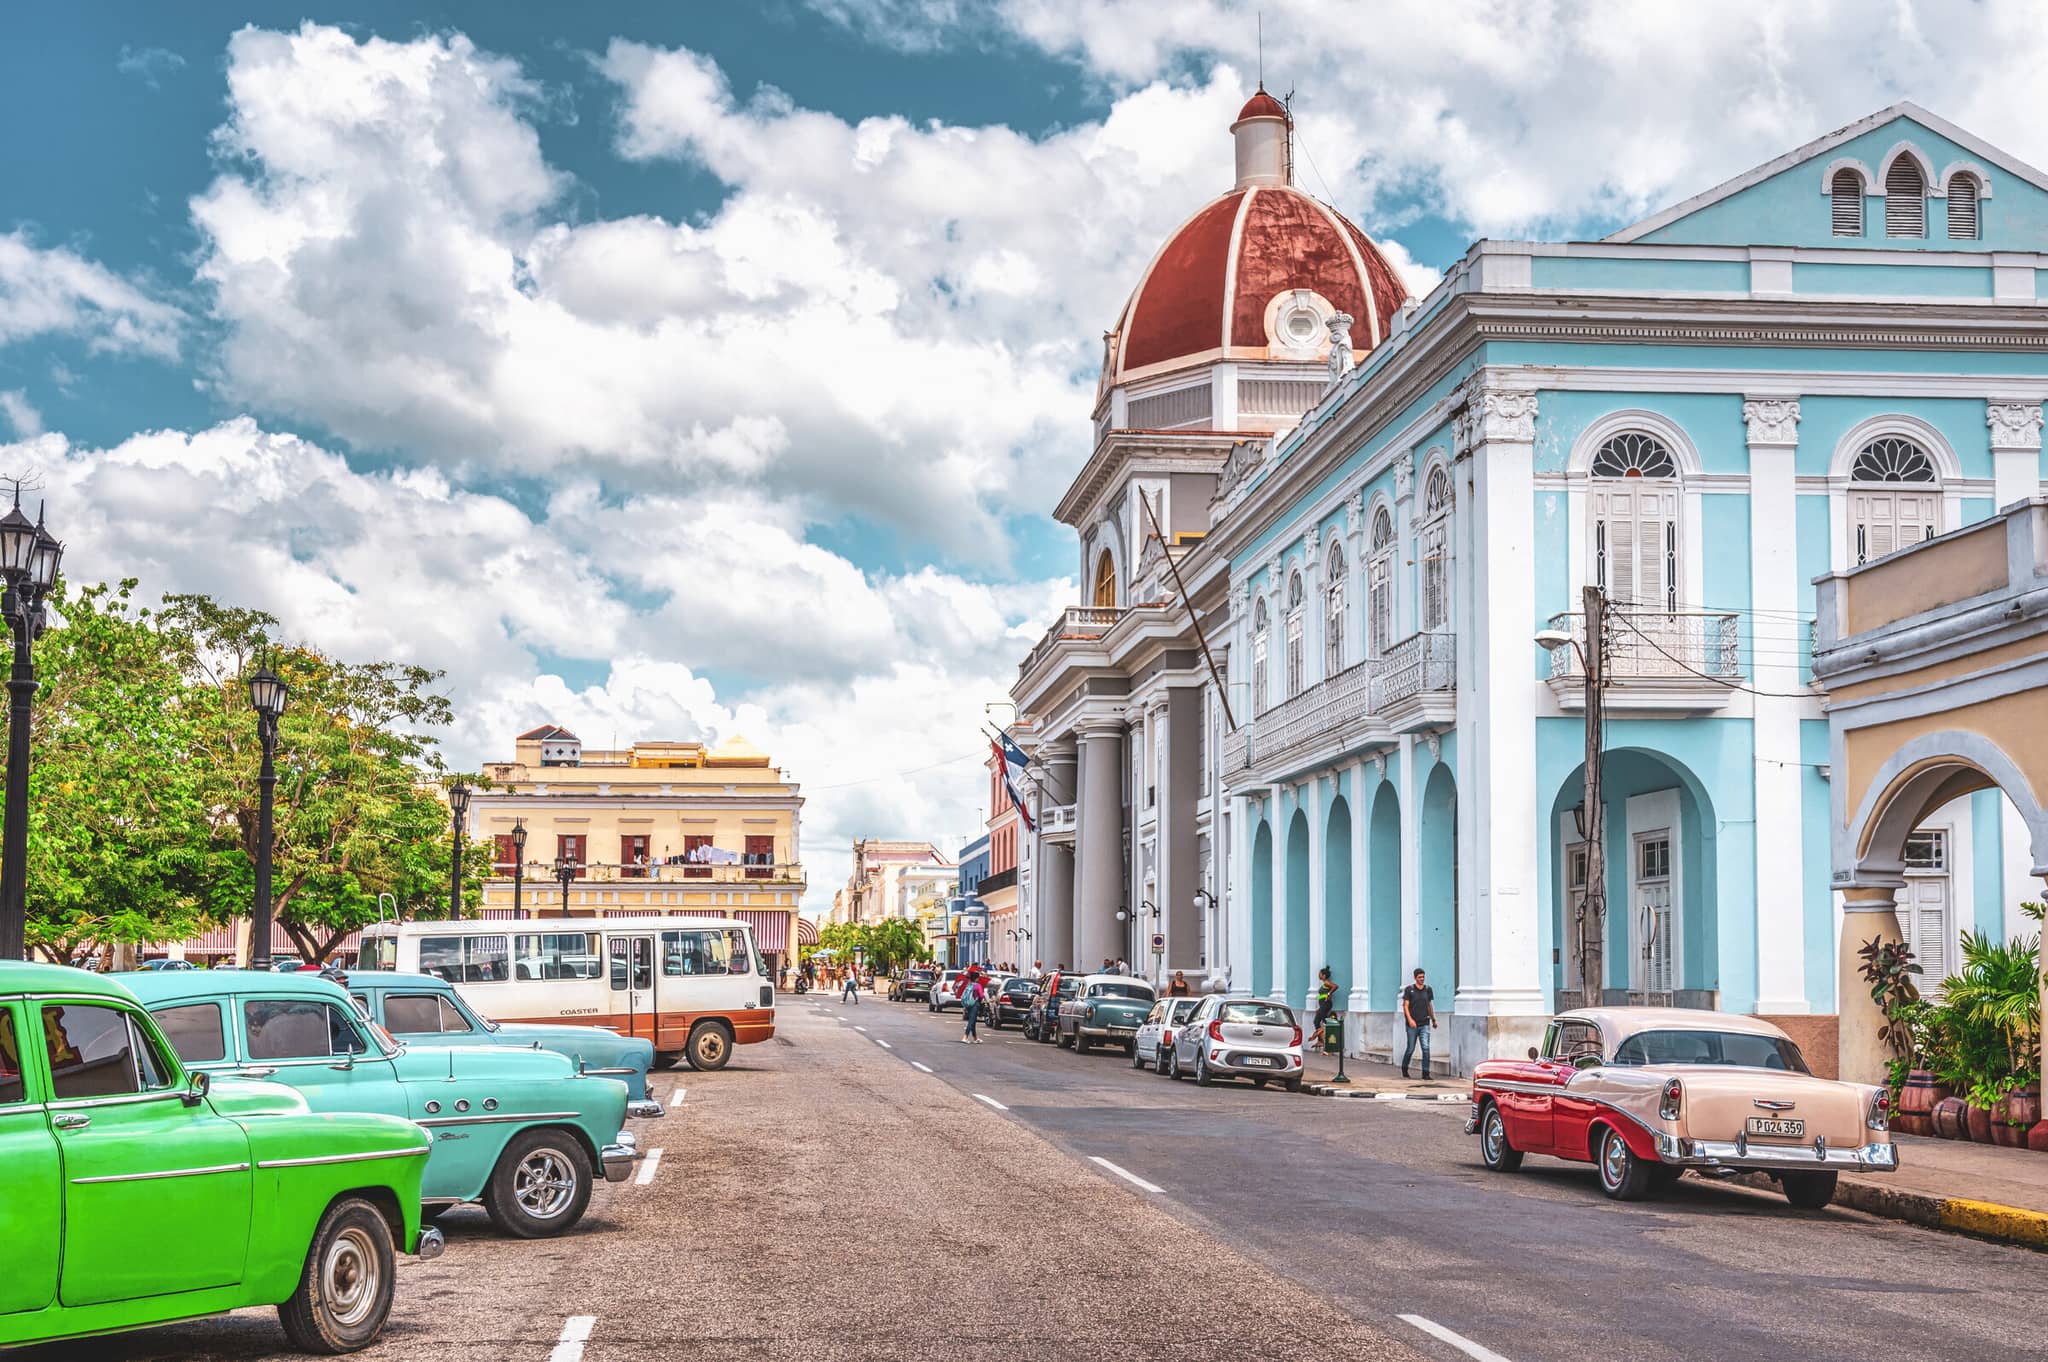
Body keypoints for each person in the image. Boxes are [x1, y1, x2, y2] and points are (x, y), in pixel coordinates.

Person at [1400, 967, 1436, 1079]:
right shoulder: (1409, 989)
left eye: (1423, 977)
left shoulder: (1428, 989)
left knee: (1426, 1048)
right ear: (1415, 978)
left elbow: (1429, 1005)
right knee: (1410, 1048)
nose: (1422, 979)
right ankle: (1404, 1068)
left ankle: (1426, 1073)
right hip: (1412, 1025)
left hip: (1425, 1023)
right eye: (1420, 977)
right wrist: (1410, 1020)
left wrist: (1433, 1019)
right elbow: (1405, 1006)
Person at [1310, 966, 1338, 1053]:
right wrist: (1320, 1008)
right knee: (1319, 1022)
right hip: (1323, 1005)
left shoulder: (1326, 982)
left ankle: (1324, 1040)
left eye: (1320, 974)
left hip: (1326, 1004)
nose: (1319, 975)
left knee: (1320, 1021)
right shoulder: (1324, 983)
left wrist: (1329, 994)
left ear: (1324, 975)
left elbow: (1335, 986)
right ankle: (1322, 1041)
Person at [960, 968, 986, 1044]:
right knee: (971, 1021)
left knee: (973, 1021)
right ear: (976, 978)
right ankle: (965, 1037)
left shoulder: (968, 984)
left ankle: (975, 1038)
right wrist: (983, 996)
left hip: (968, 1004)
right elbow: (981, 995)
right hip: (975, 1004)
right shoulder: (978, 985)